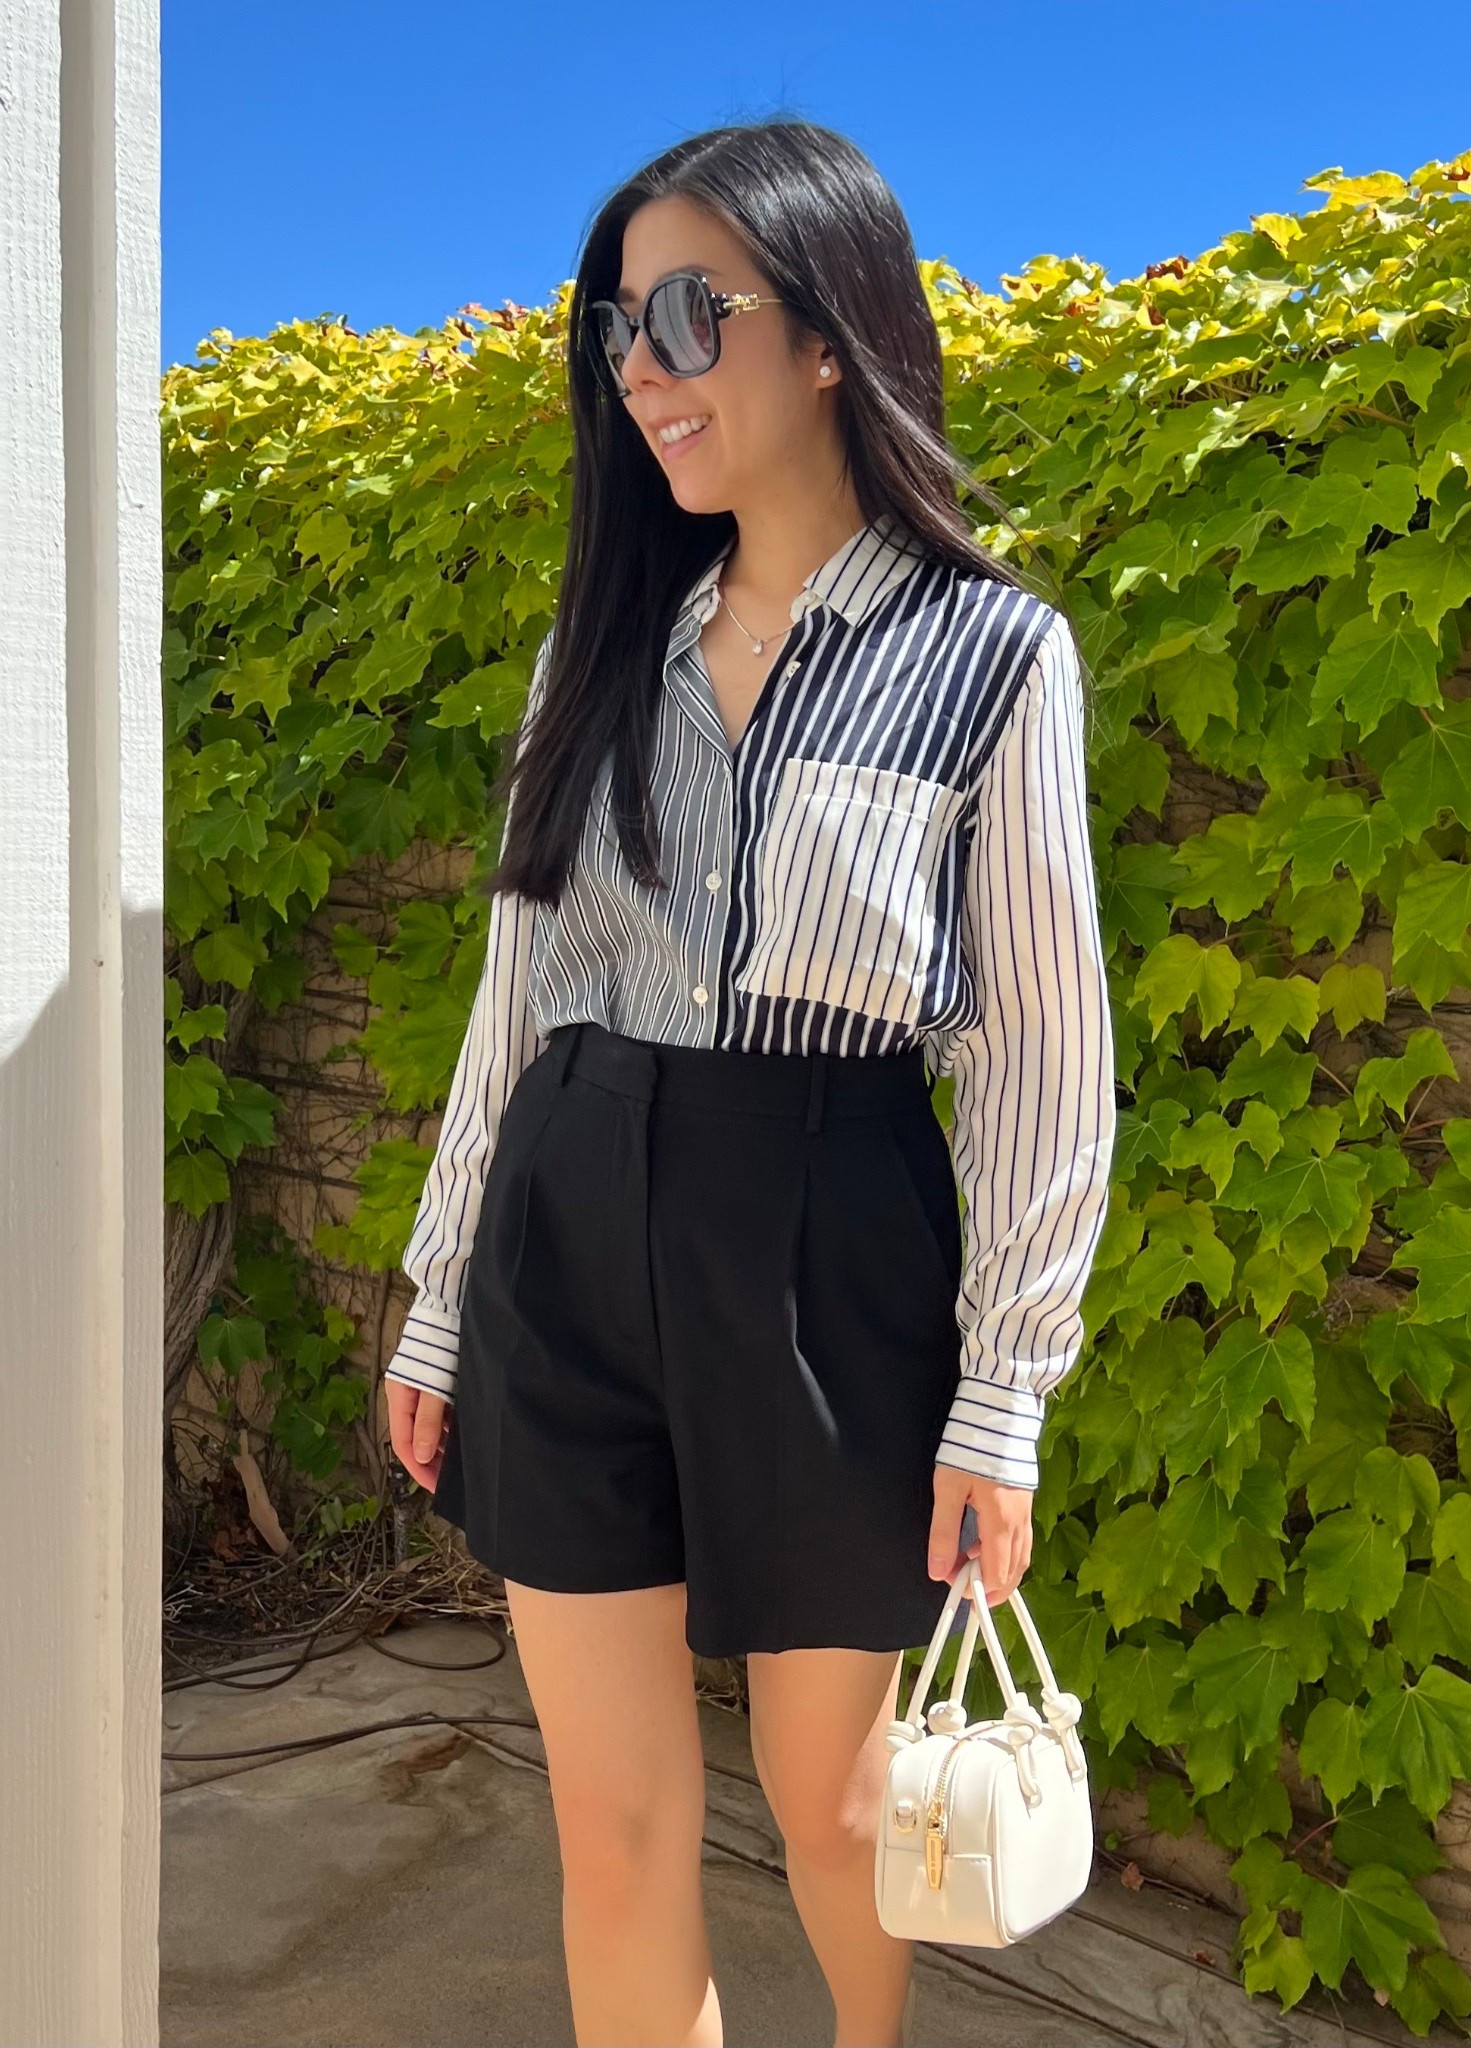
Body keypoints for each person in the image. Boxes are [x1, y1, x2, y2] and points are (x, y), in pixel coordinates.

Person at [384, 117, 1115, 2048]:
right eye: (615, 327)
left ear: (827, 337)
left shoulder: (990, 655)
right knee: (612, 1830)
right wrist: (439, 1301)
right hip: (571, 1215)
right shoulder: (601, 650)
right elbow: (513, 995)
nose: (642, 365)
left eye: (691, 313)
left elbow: (1045, 1050)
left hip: (828, 1232)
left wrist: (1005, 1398)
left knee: (840, 1808)